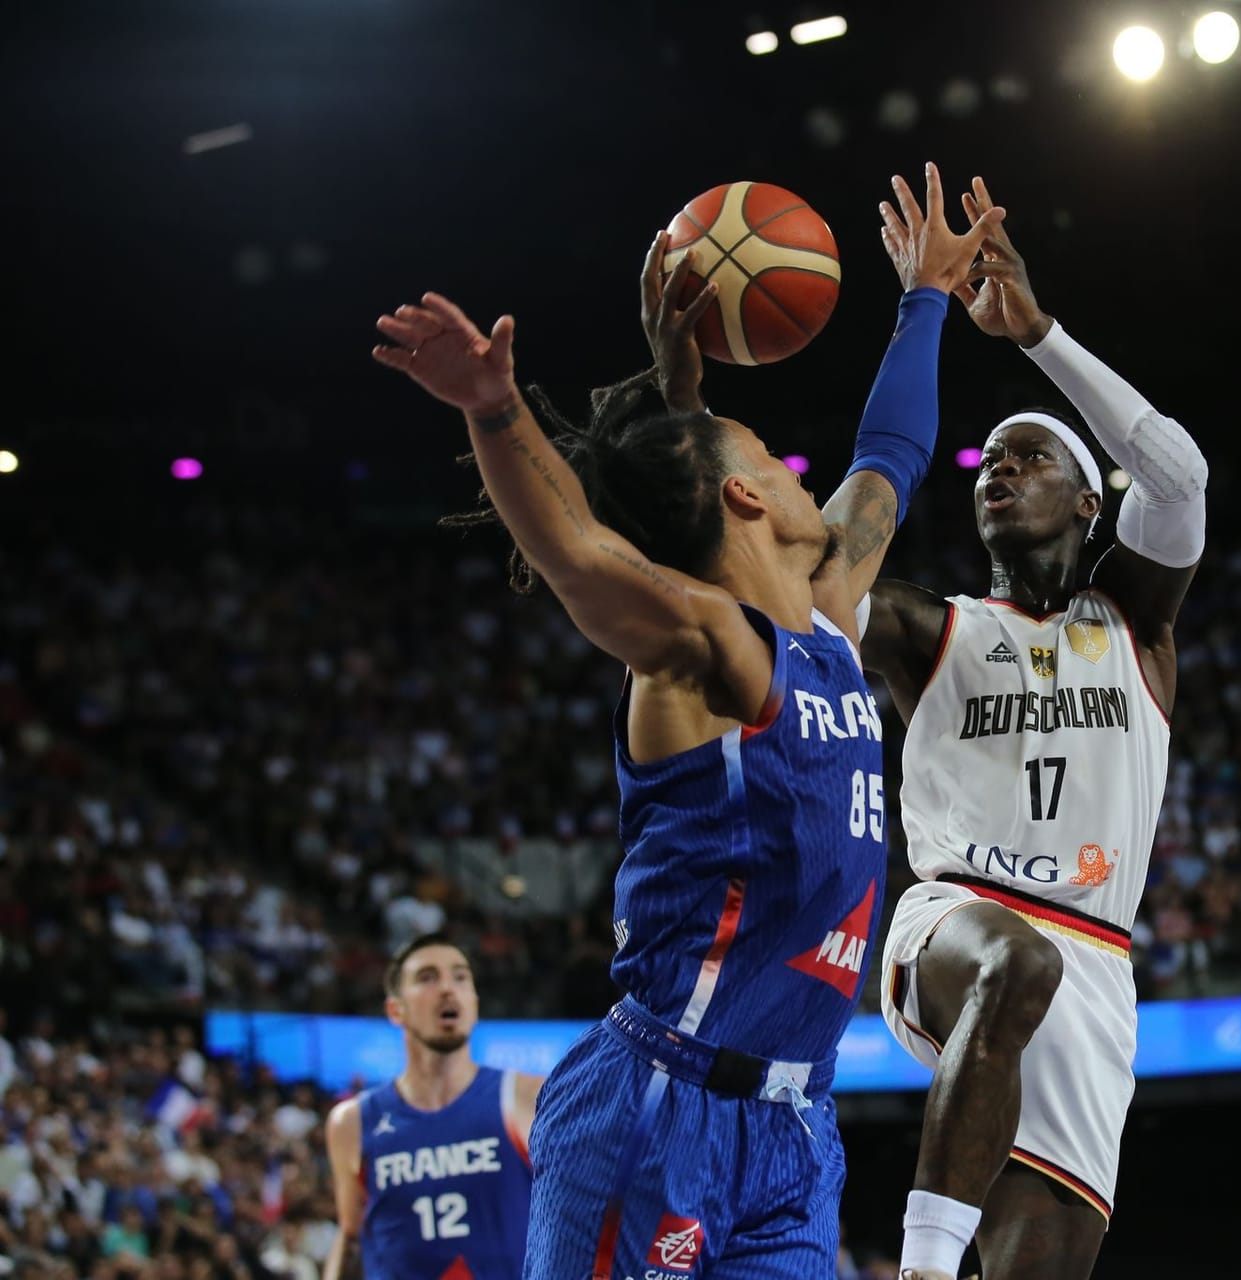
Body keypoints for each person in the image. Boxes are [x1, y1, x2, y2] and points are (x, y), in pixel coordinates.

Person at [370, 163, 1000, 1280]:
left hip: (797, 1128)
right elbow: (577, 553)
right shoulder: (709, 652)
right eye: (770, 457)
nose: (806, 473)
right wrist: (494, 408)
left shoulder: (832, 616)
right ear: (747, 497)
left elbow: (891, 460)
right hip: (655, 1106)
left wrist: (927, 301)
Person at [874, 175, 1210, 1280]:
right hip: (962, 921)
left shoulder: (1136, 625)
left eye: (1031, 457)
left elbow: (1182, 473)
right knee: (1011, 959)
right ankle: (921, 1264)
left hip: (1098, 968)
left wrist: (1039, 337)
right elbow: (818, 573)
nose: (1000, 470)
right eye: (988, 464)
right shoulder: (933, 628)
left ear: (1086, 503)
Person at [322, 934, 540, 1280]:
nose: (447, 989)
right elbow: (351, 1238)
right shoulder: (352, 1121)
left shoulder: (528, 1096)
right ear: (396, 1009)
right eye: (427, 978)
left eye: (460, 977)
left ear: (474, 1001)